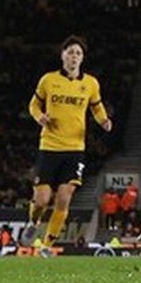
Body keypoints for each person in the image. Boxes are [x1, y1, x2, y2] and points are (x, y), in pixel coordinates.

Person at [23, 35, 113, 254]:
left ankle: (47, 245)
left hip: (75, 149)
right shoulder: (48, 80)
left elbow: (96, 106)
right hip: (49, 147)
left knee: (64, 198)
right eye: (70, 52)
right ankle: (34, 222)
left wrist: (103, 120)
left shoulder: (90, 83)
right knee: (42, 200)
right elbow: (33, 105)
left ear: (82, 59)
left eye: (78, 53)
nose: (74, 56)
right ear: (62, 56)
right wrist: (40, 117)